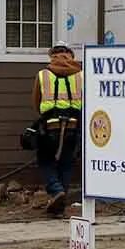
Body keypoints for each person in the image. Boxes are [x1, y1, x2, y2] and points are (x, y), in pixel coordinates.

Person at [33, 44, 83, 217]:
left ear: (52, 56)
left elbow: (36, 102)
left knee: (45, 161)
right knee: (66, 163)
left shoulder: (43, 74)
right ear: (71, 56)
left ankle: (56, 191)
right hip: (73, 126)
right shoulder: (81, 75)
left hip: (50, 127)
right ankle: (59, 205)